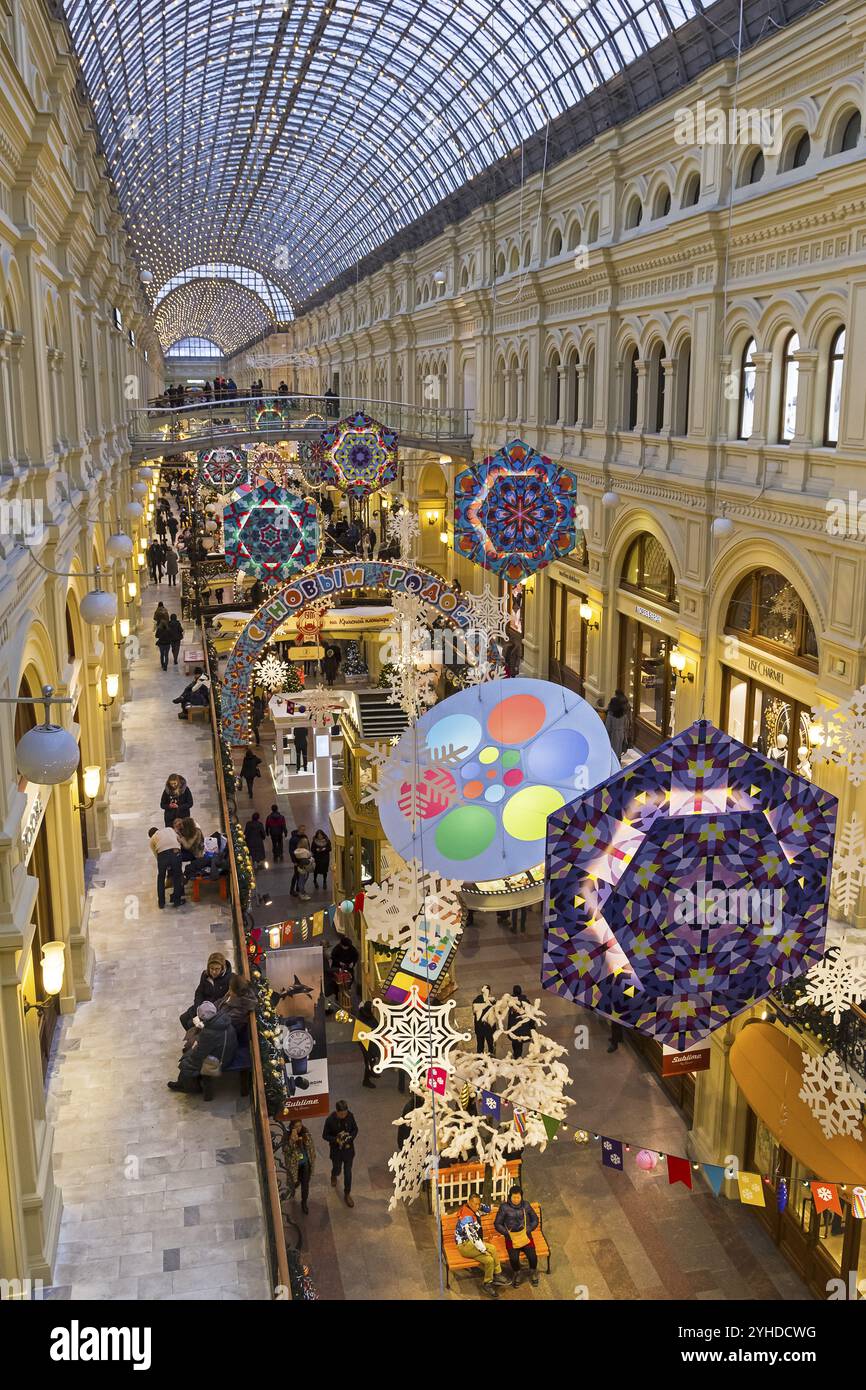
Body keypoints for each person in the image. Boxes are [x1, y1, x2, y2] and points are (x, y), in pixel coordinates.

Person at [168, 1003, 237, 1094]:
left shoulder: (209, 1033)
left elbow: (200, 1054)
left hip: (219, 1061)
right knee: (189, 1054)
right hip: (229, 1052)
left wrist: (189, 1057)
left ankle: (192, 1088)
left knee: (185, 1064)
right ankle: (189, 1080)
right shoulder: (224, 1019)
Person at [455, 1194, 510, 1297]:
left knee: (489, 1260)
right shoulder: (467, 1217)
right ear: (469, 1202)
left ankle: (487, 1283)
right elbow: (473, 1237)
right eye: (475, 1204)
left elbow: (488, 1210)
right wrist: (483, 1249)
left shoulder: (474, 1209)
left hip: (472, 1244)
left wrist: (480, 1206)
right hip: (465, 1245)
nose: (477, 1206)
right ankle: (498, 1274)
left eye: (478, 1204)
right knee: (492, 1248)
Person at [494, 1187, 540, 1288]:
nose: (516, 1199)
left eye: (518, 1197)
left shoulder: (526, 1205)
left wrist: (529, 1229)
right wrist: (507, 1233)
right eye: (514, 1197)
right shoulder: (504, 1207)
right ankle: (517, 1273)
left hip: (525, 1235)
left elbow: (535, 1219)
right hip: (511, 1237)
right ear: (510, 1197)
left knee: (532, 1256)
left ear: (521, 1197)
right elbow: (497, 1224)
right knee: (514, 1258)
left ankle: (533, 1271)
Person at [179, 951, 233, 1029]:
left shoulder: (230, 979)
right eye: (211, 968)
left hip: (214, 1012)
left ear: (222, 968)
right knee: (183, 1019)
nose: (214, 972)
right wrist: (198, 1008)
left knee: (192, 1024)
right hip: (202, 1006)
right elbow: (199, 992)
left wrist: (207, 1013)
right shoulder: (205, 975)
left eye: (217, 969)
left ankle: (200, 1037)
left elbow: (226, 1000)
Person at [323, 1101, 357, 1207]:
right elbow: (325, 1135)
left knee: (348, 1173)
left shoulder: (350, 1116)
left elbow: (355, 1129)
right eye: (341, 1113)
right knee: (337, 1169)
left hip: (348, 1151)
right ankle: (334, 1175)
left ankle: (347, 1194)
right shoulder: (330, 1120)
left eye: (345, 1113)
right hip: (336, 1152)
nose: (344, 1115)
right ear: (337, 1112)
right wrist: (336, 1140)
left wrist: (350, 1138)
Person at [280, 1119, 316, 1214]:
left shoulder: (305, 1133)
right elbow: (285, 1150)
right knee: (293, 1182)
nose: (298, 1128)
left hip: (305, 1164)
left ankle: (304, 1202)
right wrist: (292, 1141)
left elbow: (311, 1147)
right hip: (294, 1166)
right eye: (296, 1126)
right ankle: (291, 1191)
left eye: (300, 1125)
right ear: (292, 1127)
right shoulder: (286, 1136)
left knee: (305, 1185)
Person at [149, 823, 185, 909]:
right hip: (175, 851)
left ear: (151, 836)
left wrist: (165, 864)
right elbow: (179, 839)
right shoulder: (169, 829)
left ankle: (161, 903)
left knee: (161, 878)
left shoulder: (152, 839)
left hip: (162, 855)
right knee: (177, 876)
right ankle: (177, 901)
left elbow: (156, 855)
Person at [325, 933, 359, 1004]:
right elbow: (333, 957)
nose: (347, 948)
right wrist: (339, 962)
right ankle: (338, 996)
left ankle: (347, 990)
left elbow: (355, 956)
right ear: (342, 945)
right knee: (337, 982)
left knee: (350, 978)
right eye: (345, 947)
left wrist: (353, 962)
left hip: (348, 966)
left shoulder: (351, 948)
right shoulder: (337, 949)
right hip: (337, 967)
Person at [506, 985, 535, 1059]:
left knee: (515, 1042)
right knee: (520, 1044)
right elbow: (530, 1015)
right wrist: (532, 1026)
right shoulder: (526, 1002)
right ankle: (518, 1056)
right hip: (523, 1027)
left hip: (514, 1027)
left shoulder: (511, 1003)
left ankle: (517, 1056)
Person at [356, 1000, 379, 1088]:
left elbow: (375, 1026)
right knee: (368, 1061)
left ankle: (372, 1072)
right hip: (365, 1043)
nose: (374, 1009)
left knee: (373, 1059)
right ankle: (366, 1081)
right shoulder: (363, 1017)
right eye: (373, 1007)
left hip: (371, 1042)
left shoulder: (368, 1014)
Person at [605, 689, 632, 760]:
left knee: (612, 750)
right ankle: (618, 761)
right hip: (621, 734)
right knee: (619, 749)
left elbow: (608, 727)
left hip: (613, 734)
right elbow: (626, 726)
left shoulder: (610, 715)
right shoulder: (623, 715)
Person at [472, 985, 496, 1055]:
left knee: (480, 1045)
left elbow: (474, 1012)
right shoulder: (492, 1001)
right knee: (490, 1045)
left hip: (479, 1027)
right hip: (489, 1028)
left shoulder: (476, 1000)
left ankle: (480, 1059)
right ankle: (491, 1057)